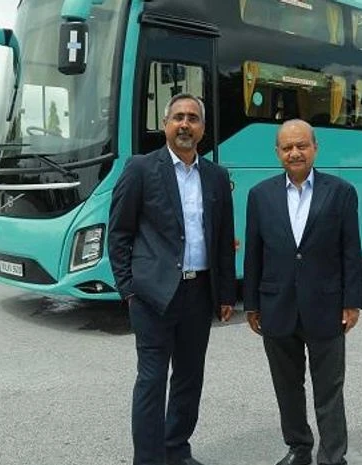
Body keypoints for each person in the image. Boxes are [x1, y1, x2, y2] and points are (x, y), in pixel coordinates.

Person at [108, 93, 236, 465]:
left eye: (193, 118)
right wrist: (128, 289)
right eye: (178, 117)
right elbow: (119, 233)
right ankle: (148, 460)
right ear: (165, 124)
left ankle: (176, 449)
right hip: (152, 296)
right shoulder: (140, 169)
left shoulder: (216, 175)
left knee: (189, 379)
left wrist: (226, 292)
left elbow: (223, 239)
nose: (185, 124)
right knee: (151, 381)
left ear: (203, 129)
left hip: (199, 293)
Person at [243, 119, 362, 465]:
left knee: (329, 389)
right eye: (287, 148)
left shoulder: (340, 192)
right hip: (276, 306)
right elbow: (254, 253)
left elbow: (350, 251)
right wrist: (251, 304)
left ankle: (332, 455)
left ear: (315, 148)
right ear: (278, 153)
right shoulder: (260, 195)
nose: (294, 152)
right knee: (287, 388)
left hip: (326, 306)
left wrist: (352, 302)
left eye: (301, 146)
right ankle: (299, 448)